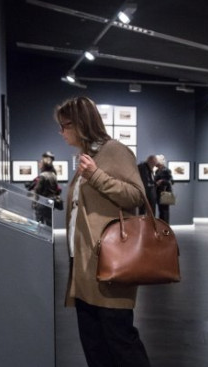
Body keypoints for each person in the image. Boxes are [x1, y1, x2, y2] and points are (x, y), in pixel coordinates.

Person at [55, 96, 151, 367]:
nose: (61, 133)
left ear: (80, 124)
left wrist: (96, 175)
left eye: (64, 126)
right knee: (93, 341)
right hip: (84, 262)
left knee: (120, 338)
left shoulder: (115, 151)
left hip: (111, 261)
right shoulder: (88, 156)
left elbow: (136, 196)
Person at [27, 153, 60, 226]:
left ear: (44, 165)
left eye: (40, 162)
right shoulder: (53, 174)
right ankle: (50, 237)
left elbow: (37, 190)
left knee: (39, 223)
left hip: (42, 202)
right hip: (50, 202)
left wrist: (34, 203)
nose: (39, 164)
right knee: (49, 223)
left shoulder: (43, 175)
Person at [154, 154, 173, 223]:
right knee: (161, 211)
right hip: (159, 193)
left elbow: (171, 181)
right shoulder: (157, 171)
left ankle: (166, 228)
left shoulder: (166, 170)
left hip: (165, 193)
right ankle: (162, 226)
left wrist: (162, 181)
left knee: (165, 212)